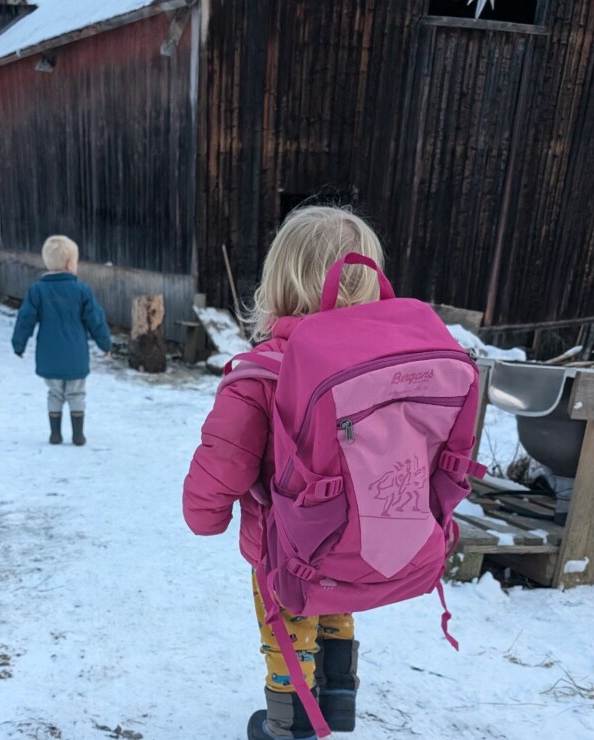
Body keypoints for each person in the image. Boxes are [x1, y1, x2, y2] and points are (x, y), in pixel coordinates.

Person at [183, 206, 384, 740]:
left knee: (289, 622)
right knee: (337, 602)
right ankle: (338, 702)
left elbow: (223, 459)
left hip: (286, 546)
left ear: (277, 287)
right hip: (362, 541)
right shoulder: (383, 367)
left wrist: (205, 515)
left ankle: (288, 724)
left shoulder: (264, 372)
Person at [12, 235, 112, 446]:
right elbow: (95, 319)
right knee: (76, 393)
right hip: (76, 355)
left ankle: (55, 434)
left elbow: (25, 319)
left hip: (49, 355)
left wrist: (18, 344)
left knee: (55, 393)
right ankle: (78, 435)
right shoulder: (82, 290)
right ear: (69, 264)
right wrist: (105, 344)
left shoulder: (37, 290)